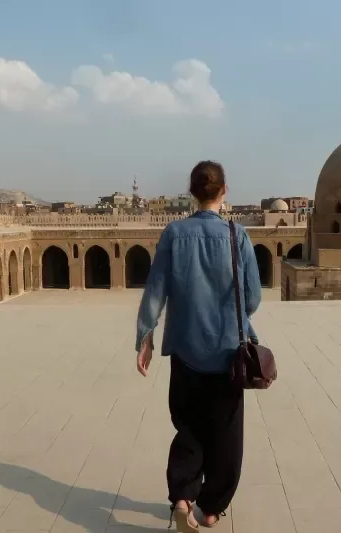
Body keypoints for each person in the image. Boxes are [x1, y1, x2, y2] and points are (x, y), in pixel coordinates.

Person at [135, 161, 262, 531]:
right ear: (224, 191)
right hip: (227, 355)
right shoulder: (237, 236)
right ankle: (209, 510)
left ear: (192, 193)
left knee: (188, 428)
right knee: (226, 434)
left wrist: (146, 335)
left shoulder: (174, 234)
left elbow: (156, 290)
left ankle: (182, 497)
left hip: (186, 354)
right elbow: (252, 297)